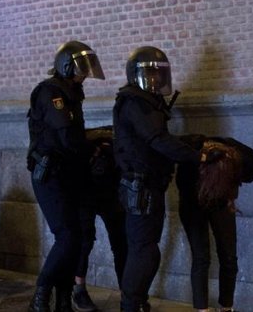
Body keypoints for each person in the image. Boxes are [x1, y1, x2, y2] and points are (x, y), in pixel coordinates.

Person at [112, 46, 223, 312]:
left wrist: (189, 144)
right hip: (142, 187)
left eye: (159, 74)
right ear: (136, 75)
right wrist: (200, 158)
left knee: (144, 250)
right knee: (145, 252)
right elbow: (157, 140)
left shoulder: (146, 101)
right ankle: (130, 305)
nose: (155, 80)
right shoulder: (135, 102)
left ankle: (136, 302)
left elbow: (156, 140)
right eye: (149, 74)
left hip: (148, 185)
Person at [27, 40, 105, 312]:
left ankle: (63, 299)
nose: (85, 74)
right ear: (66, 66)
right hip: (51, 175)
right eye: (81, 68)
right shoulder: (51, 93)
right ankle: (41, 292)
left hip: (71, 174)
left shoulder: (73, 92)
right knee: (68, 236)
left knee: (80, 236)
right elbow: (67, 137)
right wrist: (92, 143)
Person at [176, 135, 253, 312]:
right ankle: (203, 309)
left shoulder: (237, 157)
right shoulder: (191, 162)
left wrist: (227, 195)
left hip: (219, 201)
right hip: (192, 200)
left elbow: (248, 173)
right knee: (202, 258)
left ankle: (226, 308)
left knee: (228, 257)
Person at [72, 126, 128, 312]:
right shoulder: (86, 148)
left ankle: (127, 294)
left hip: (110, 193)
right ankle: (78, 290)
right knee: (84, 241)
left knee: (121, 243)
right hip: (85, 192)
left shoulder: (119, 146)